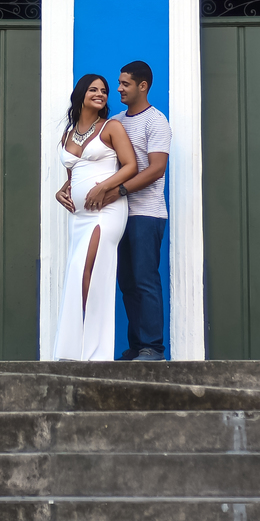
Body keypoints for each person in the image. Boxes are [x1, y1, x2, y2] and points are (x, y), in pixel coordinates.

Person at [84, 61, 171, 361]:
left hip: (147, 213)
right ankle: (137, 346)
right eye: (118, 83)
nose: (118, 88)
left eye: (125, 84)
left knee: (145, 279)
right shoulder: (117, 121)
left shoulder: (156, 121)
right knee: (127, 282)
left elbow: (157, 169)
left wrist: (118, 190)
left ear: (142, 86)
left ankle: (153, 348)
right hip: (118, 215)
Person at [52, 74, 137, 361]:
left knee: (90, 272)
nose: (100, 94)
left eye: (104, 91)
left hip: (106, 211)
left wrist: (103, 187)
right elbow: (72, 175)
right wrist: (62, 192)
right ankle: (72, 349)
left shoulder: (111, 127)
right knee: (79, 273)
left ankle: (94, 352)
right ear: (81, 94)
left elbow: (131, 166)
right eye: (93, 89)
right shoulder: (68, 133)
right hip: (79, 217)